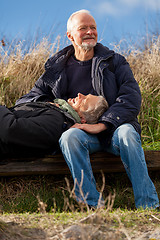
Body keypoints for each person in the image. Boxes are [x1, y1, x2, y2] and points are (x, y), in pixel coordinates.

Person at [16, 10, 159, 209]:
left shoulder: (114, 61)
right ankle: (93, 205)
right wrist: (53, 106)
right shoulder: (56, 68)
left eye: (93, 27)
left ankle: (148, 205)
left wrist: (102, 124)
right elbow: (27, 100)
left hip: (113, 130)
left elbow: (131, 97)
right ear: (70, 35)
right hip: (81, 134)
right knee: (69, 137)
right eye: (83, 28)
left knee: (128, 133)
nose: (90, 32)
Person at [0, 93, 108, 158]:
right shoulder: (57, 112)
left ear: (83, 119)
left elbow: (10, 130)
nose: (80, 94)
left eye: (84, 100)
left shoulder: (57, 122)